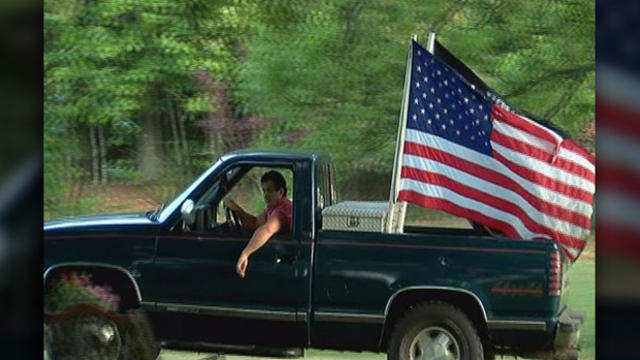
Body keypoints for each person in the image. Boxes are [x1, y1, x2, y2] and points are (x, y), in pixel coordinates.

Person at [224, 170, 292, 278]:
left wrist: (245, 253)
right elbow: (254, 223)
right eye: (264, 191)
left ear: (281, 191)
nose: (265, 195)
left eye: (270, 191)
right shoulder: (273, 207)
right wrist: (237, 209)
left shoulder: (282, 211)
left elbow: (267, 230)